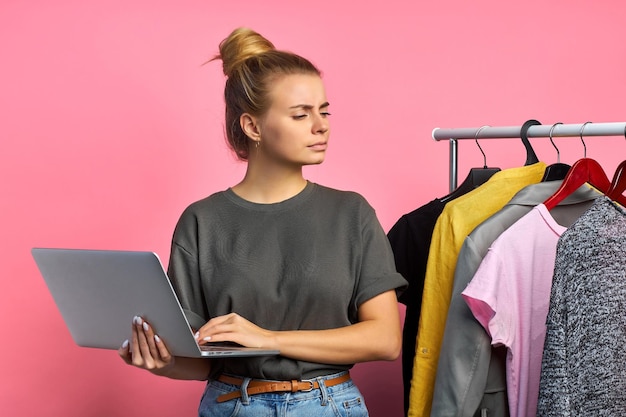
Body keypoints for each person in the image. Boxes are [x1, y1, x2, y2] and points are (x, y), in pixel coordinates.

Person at [118, 27, 407, 416]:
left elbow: (385, 339)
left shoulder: (352, 214)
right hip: (232, 404)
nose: (321, 125)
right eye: (301, 114)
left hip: (329, 404)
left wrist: (267, 339)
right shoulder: (202, 221)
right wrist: (159, 361)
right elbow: (202, 360)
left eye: (324, 111)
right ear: (252, 126)